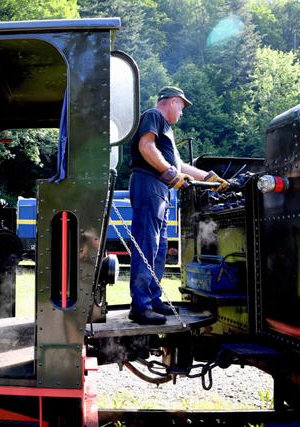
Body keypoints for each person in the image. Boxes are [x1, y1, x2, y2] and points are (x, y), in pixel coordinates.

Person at [128, 86, 228, 325]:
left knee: (160, 247)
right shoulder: (154, 116)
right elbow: (146, 147)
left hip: (160, 189)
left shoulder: (168, 133)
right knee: (147, 243)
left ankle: (153, 299)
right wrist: (169, 171)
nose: (182, 113)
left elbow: (180, 165)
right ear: (173, 101)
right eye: (182, 107)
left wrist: (209, 178)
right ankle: (140, 306)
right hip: (149, 183)